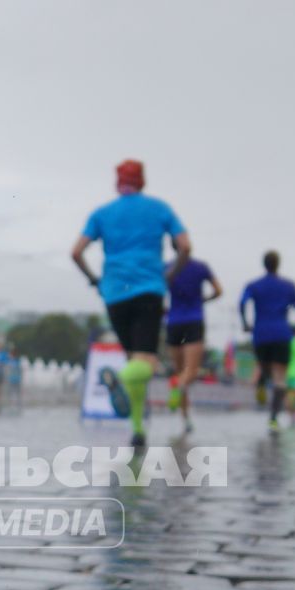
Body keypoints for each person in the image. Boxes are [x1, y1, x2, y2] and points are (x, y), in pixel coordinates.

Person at [71, 158, 191, 446]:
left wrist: (95, 279)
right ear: (142, 180)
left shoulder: (102, 213)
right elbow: (185, 246)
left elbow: (76, 252)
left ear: (118, 181)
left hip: (114, 293)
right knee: (144, 363)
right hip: (149, 289)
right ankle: (120, 381)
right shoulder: (160, 208)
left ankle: (137, 429)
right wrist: (170, 276)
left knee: (134, 359)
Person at [236, 250, 295, 430]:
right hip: (282, 334)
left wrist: (245, 322)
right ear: (278, 264)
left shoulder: (254, 285)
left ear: (264, 264)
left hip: (260, 333)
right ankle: (273, 418)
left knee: (264, 367)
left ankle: (261, 382)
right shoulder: (289, 286)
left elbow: (242, 303)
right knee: (280, 378)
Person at [162, 250, 221, 428]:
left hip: (173, 322)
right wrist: (203, 300)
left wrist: (166, 310)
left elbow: (157, 293)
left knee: (180, 372)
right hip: (194, 321)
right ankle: (177, 389)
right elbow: (218, 290)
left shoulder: (166, 267)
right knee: (190, 373)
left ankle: (185, 419)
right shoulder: (201, 267)